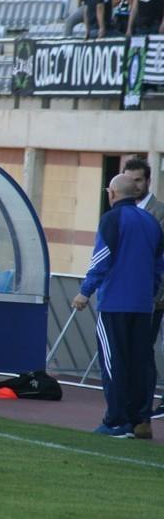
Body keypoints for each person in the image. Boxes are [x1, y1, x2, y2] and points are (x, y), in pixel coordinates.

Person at [71, 174, 164, 438]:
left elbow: (101, 257)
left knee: (114, 361)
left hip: (115, 302)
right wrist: (151, 290)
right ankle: (139, 418)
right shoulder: (151, 221)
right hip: (143, 304)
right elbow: (159, 263)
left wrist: (85, 291)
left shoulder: (112, 219)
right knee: (140, 361)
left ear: (111, 193)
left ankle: (116, 421)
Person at [121, 157, 164, 427]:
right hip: (125, 296)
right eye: (129, 179)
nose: (133, 185)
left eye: (138, 180)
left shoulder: (159, 213)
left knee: (142, 353)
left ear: (148, 181)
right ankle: (128, 410)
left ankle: (142, 414)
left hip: (151, 298)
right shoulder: (120, 210)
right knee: (127, 352)